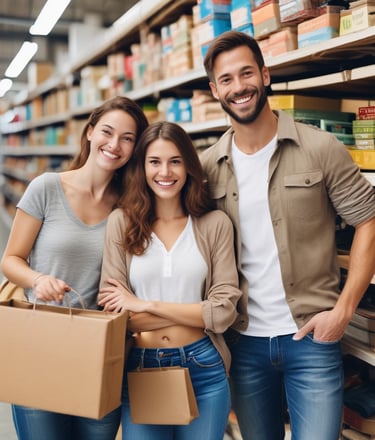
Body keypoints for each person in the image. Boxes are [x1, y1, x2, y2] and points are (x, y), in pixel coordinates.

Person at [200, 30, 375, 440]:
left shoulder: (321, 148)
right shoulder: (207, 168)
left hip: (312, 339)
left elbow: (368, 220)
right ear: (214, 90)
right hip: (242, 343)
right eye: (226, 79)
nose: (238, 87)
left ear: (265, 75)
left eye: (247, 74)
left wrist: (344, 311)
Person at [0, 96, 149, 440]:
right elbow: (10, 260)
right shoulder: (47, 188)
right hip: (39, 345)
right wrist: (38, 279)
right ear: (90, 133)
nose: (114, 145)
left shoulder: (132, 205)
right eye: (107, 133)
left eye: (127, 138)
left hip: (100, 351)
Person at [98, 121, 243, 440]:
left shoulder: (214, 224)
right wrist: (195, 312)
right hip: (142, 367)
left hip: (203, 365)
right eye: (155, 162)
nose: (165, 172)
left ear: (189, 166)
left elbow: (222, 313)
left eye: (175, 161)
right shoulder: (121, 223)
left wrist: (143, 305)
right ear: (141, 167)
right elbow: (115, 316)